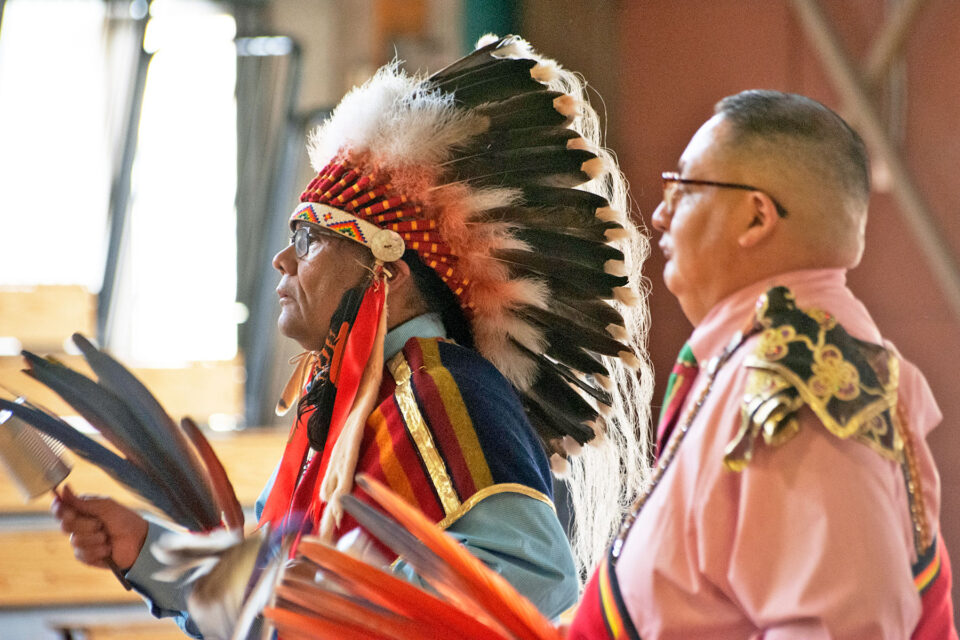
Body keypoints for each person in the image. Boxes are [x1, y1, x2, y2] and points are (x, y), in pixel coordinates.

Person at [53, 35, 651, 639]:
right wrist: (144, 549)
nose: (284, 260)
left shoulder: (445, 389)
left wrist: (338, 611)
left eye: (311, 238)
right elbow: (268, 596)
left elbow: (532, 581)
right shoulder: (345, 404)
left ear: (385, 273)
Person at [569, 90, 956, 639]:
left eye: (683, 187)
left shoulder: (800, 382)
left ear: (755, 217)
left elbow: (841, 627)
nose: (659, 214)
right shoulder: (760, 359)